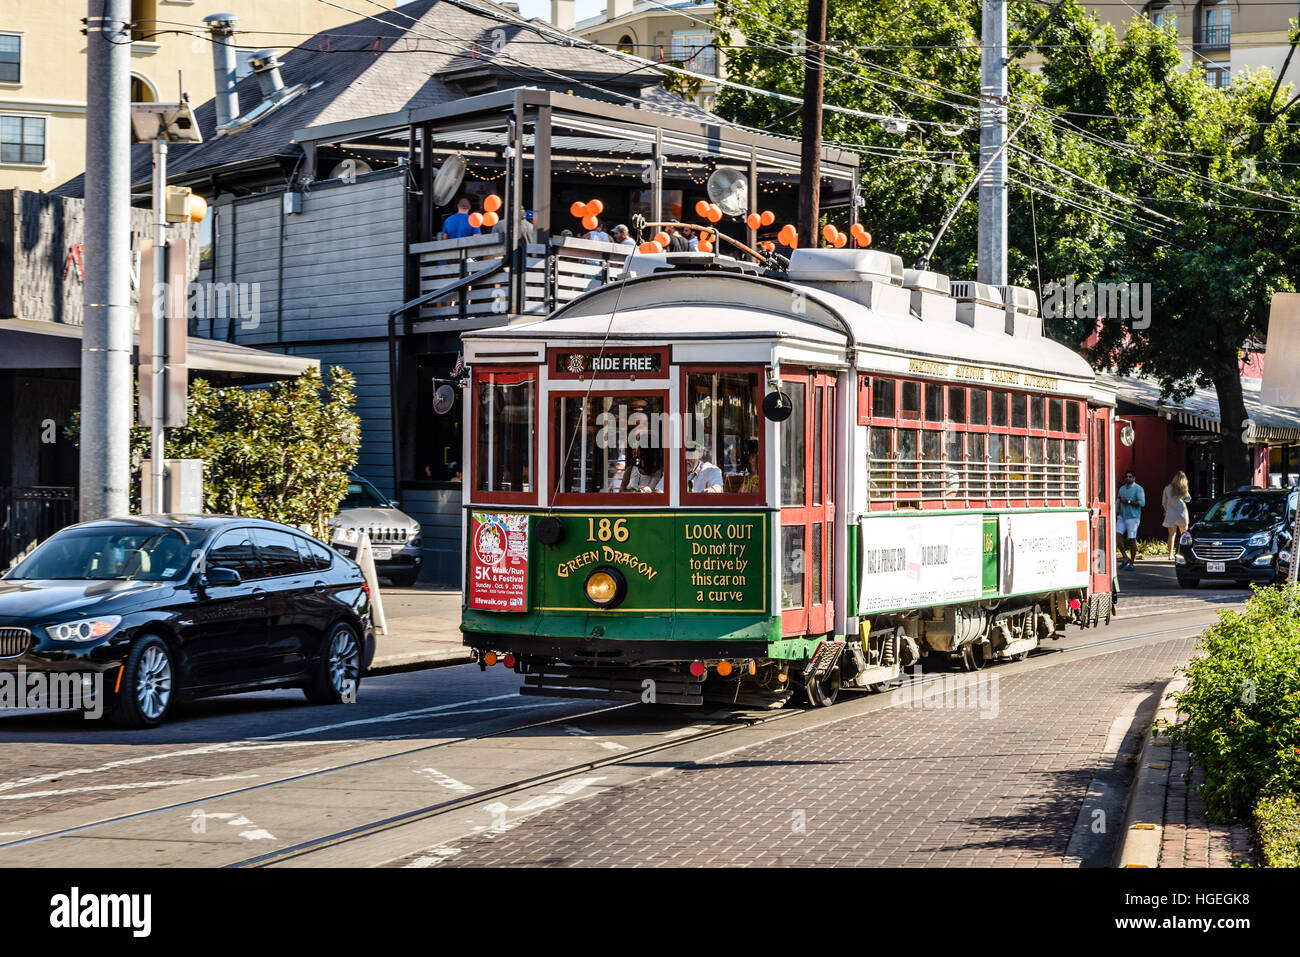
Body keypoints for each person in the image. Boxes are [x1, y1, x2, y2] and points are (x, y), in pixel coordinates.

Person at [1116, 469, 1145, 570]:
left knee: (1132, 540)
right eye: (1126, 476)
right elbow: (1118, 501)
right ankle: (1125, 557)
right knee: (1117, 536)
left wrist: (1128, 501)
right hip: (1122, 516)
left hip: (1133, 517)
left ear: (1134, 478)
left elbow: (1142, 503)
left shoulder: (1138, 489)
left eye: (1130, 477)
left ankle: (1132, 563)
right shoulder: (1122, 489)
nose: (1128, 478)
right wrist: (1116, 512)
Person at [1161, 470, 1192, 559]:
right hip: (1182, 513)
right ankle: (1185, 553)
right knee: (1184, 535)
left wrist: (1167, 511)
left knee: (1171, 535)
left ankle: (1170, 555)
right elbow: (1188, 499)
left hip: (1170, 514)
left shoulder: (1167, 488)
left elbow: (1164, 503)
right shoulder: (1183, 488)